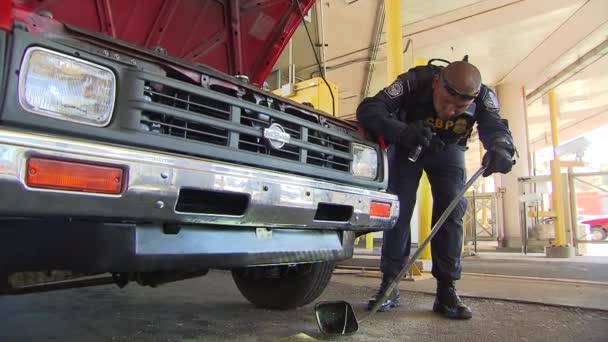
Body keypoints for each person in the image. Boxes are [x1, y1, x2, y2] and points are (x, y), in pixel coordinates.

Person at [356, 59, 515, 319]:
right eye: (444, 101)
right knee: (399, 211)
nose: (450, 111)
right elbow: (370, 109)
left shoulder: (484, 96)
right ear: (436, 83)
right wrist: (403, 131)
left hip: (449, 151)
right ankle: (390, 285)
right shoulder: (413, 82)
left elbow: (494, 126)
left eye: (460, 107)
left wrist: (501, 147)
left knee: (451, 211)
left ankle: (446, 291)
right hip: (408, 145)